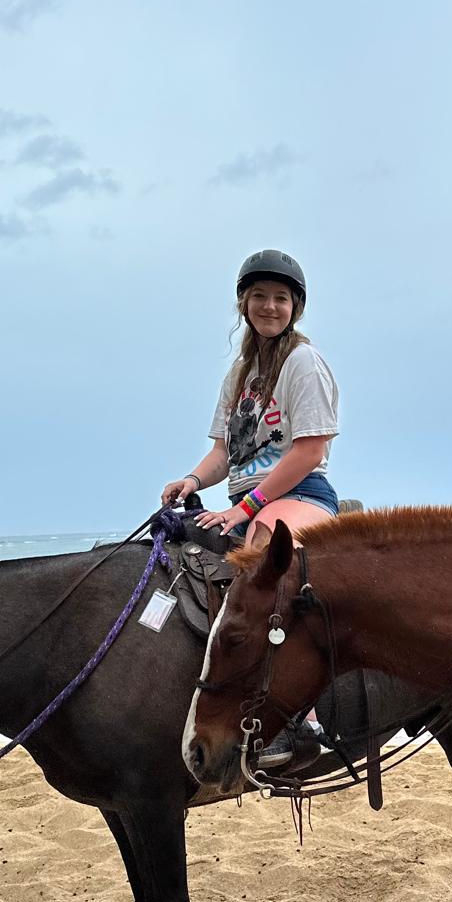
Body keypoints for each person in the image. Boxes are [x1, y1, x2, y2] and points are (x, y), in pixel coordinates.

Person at [161, 248, 339, 769]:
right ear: (244, 303)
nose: (270, 306)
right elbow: (223, 452)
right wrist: (192, 480)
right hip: (247, 499)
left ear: (295, 308)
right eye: (259, 296)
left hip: (302, 495)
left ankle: (302, 723)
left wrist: (247, 509)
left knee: (266, 559)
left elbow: (310, 451)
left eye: (281, 298)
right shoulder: (240, 374)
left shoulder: (303, 363)